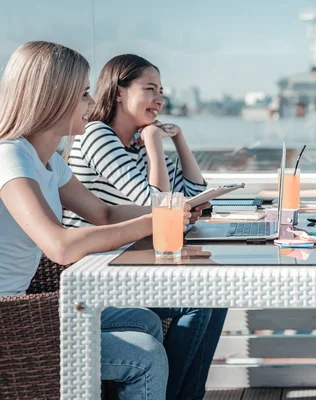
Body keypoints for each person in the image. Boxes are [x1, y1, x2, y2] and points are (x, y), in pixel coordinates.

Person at [0, 41, 203, 400]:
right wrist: (152, 223)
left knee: (145, 321)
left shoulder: (48, 161)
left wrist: (170, 211)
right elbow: (60, 246)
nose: (92, 104)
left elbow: (104, 213)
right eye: (83, 94)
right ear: (52, 96)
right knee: (145, 355)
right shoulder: (10, 158)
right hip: (11, 323)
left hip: (26, 305)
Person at [62, 54, 227, 400]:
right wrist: (154, 146)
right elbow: (158, 202)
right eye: (149, 89)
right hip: (97, 271)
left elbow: (197, 196)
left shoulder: (133, 142)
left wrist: (178, 140)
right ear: (119, 92)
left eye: (161, 91)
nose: (159, 99)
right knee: (204, 300)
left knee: (214, 297)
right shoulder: (97, 135)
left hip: (129, 261)